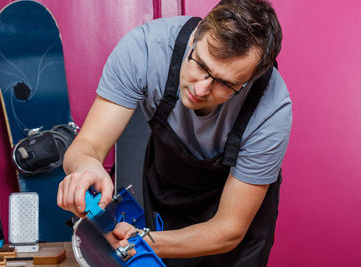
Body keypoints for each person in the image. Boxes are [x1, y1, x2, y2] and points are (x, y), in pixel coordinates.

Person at [57, 0, 292, 265]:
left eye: (225, 83)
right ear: (198, 33)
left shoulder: (272, 108)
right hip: (169, 198)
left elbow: (229, 229)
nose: (201, 89)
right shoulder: (145, 50)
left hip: (234, 229)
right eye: (201, 65)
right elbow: (87, 144)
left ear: (250, 80)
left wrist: (141, 241)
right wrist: (86, 165)